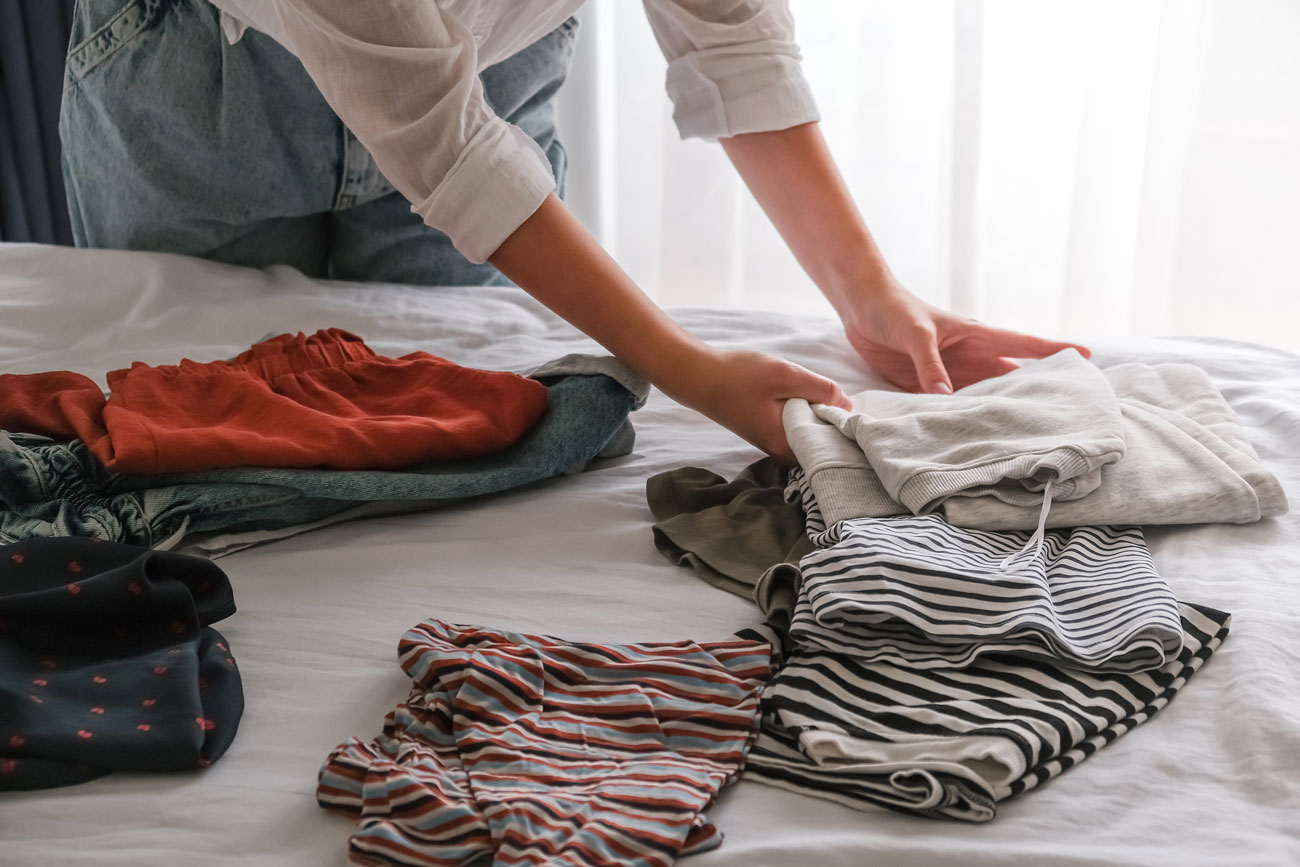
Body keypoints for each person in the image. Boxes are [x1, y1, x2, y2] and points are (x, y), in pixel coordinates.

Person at [59, 0, 1087, 462]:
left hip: (490, 62)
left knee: (427, 428)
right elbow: (454, 155)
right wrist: (688, 369)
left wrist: (871, 295)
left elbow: (733, 41)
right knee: (202, 428)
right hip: (218, 88)